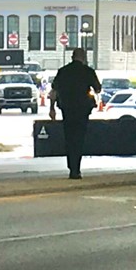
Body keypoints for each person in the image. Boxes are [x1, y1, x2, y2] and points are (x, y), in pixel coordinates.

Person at [49, 48, 102, 179]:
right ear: (83, 57)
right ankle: (75, 168)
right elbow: (98, 89)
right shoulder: (88, 71)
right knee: (79, 138)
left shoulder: (63, 71)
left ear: (72, 57)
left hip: (67, 108)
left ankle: (71, 166)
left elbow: (54, 91)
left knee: (69, 137)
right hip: (82, 109)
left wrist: (52, 108)